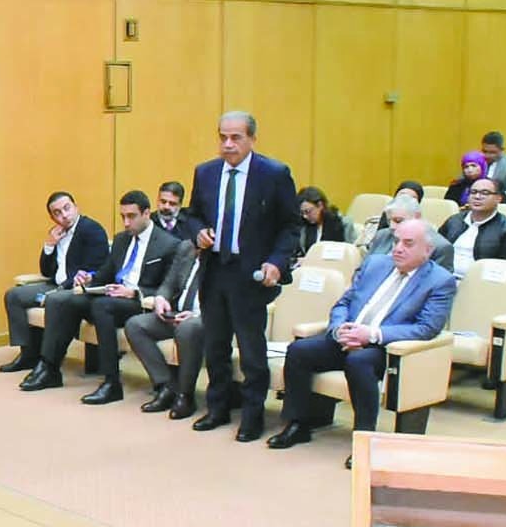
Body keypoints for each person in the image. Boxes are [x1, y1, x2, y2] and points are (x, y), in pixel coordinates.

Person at [266, 219, 456, 467]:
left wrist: (372, 335)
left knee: (359, 362)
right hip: (347, 336)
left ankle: (364, 438)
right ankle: (298, 424)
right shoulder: (375, 264)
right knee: (299, 351)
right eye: (396, 241)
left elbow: (427, 328)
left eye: (408, 244)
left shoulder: (440, 281)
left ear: (428, 250)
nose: (398, 248)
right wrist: (339, 329)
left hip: (385, 348)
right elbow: (343, 303)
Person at [184, 111, 299, 443]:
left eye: (236, 138)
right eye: (223, 137)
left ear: (252, 139)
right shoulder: (205, 172)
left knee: (251, 351)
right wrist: (198, 233)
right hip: (214, 269)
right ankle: (218, 408)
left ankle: (252, 416)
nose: (228, 144)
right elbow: (192, 216)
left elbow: (290, 226)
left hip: (250, 273)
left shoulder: (273, 174)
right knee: (215, 345)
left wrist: (276, 262)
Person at [19, 191, 184, 402]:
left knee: (102, 306)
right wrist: (89, 279)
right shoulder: (122, 240)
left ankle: (111, 382)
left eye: (131, 216)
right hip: (112, 296)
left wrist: (134, 292)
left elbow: (170, 288)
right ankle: (49, 367)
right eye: (123, 216)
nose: (126, 223)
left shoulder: (169, 244)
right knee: (62, 301)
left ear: (146, 213)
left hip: (138, 301)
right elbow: (105, 273)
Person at [0, 191, 109, 374]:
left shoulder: (92, 230)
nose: (64, 215)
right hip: (54, 284)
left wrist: (60, 289)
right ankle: (28, 353)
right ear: (52, 217)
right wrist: (49, 245)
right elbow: (46, 271)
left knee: (53, 300)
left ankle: (48, 361)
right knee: (14, 295)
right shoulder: (58, 233)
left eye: (67, 208)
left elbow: (93, 268)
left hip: (77, 288)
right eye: (57, 213)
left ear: (76, 207)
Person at [124, 240, 205, 419]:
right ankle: (167, 386)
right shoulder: (187, 248)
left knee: (187, 328)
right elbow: (169, 283)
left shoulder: (225, 255)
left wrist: (197, 315)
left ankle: (186, 395)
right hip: (177, 314)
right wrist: (161, 298)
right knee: (135, 325)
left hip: (207, 318)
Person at [439, 178, 506, 277]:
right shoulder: (454, 221)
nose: (477, 197)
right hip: (444, 277)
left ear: (498, 198)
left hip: (480, 281)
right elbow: (438, 250)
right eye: (473, 192)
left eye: (485, 193)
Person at [366, 194, 454, 271]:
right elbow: (364, 269)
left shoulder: (440, 247)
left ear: (417, 217)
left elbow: (438, 282)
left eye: (398, 220)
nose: (392, 226)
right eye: (389, 221)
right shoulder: (382, 235)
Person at [295, 186, 349, 256]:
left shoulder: (342, 223)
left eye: (307, 211)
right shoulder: (303, 226)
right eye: (302, 213)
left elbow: (350, 252)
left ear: (320, 205)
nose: (305, 216)